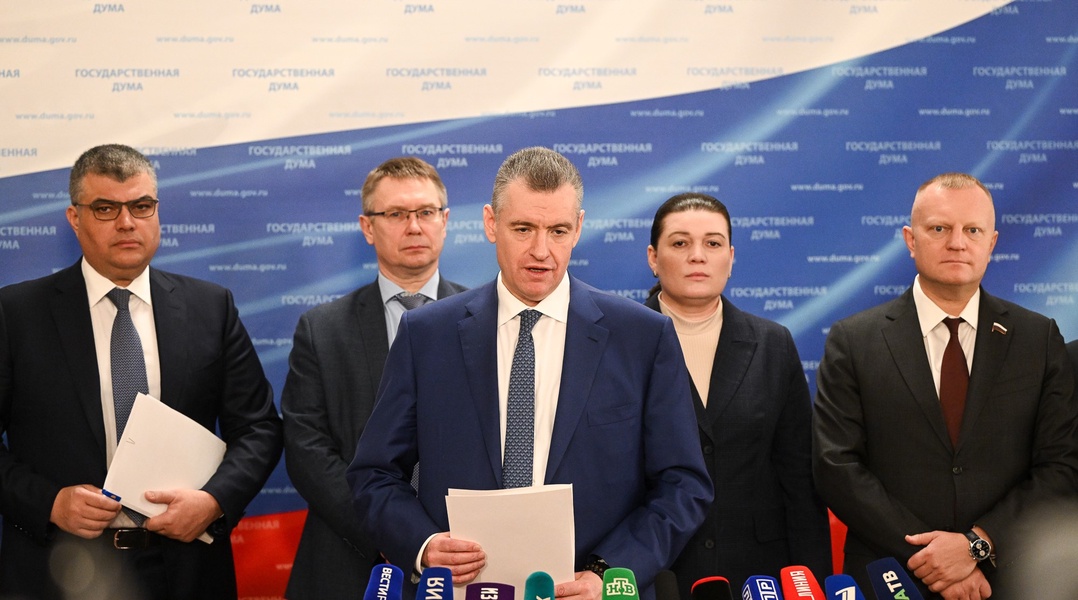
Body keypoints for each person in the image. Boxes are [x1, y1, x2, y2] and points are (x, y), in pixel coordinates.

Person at [347, 146, 712, 600]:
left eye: (558, 230)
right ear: (490, 224)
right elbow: (374, 473)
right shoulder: (427, 335)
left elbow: (683, 484)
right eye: (523, 229)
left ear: (578, 228)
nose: (542, 251)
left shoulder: (642, 337)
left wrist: (608, 573)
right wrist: (423, 546)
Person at [0, 144, 284, 599]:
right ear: (75, 218)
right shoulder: (16, 314)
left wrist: (213, 501)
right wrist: (49, 503)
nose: (127, 222)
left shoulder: (211, 307)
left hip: (187, 570)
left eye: (141, 206)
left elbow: (259, 428)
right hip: (60, 568)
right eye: (105, 209)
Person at [813, 172, 1078, 599]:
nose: (957, 243)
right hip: (889, 575)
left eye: (972, 230)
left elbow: (1060, 466)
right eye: (939, 229)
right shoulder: (854, 340)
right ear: (910, 239)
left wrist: (977, 544)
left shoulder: (1038, 339)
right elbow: (836, 467)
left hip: (1009, 578)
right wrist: (934, 558)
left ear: (991, 243)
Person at [281, 157, 466, 599]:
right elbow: (308, 452)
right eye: (396, 214)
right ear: (367, 227)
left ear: (445, 221)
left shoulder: (487, 321)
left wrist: (439, 542)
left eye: (425, 212)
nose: (414, 227)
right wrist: (399, 533)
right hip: (352, 557)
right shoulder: (322, 330)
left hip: (464, 557)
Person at [643, 193, 832, 595]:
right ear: (653, 258)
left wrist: (812, 581)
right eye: (680, 243)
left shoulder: (772, 344)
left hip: (758, 573)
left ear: (730, 258)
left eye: (712, 243)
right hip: (654, 571)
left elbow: (799, 479)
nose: (697, 256)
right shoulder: (622, 342)